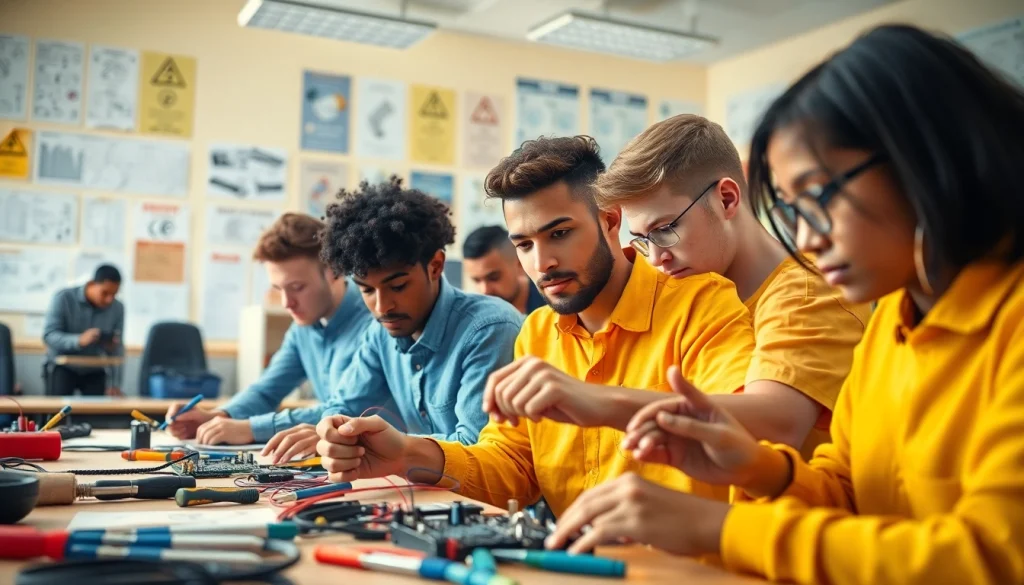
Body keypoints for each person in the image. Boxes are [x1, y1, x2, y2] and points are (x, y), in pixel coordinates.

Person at [547, 25, 1024, 585]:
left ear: (925, 159)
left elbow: (990, 559)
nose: (808, 237)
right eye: (792, 208)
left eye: (819, 196)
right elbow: (846, 488)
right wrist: (762, 469)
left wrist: (719, 527)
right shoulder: (894, 324)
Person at [315, 137, 757, 516]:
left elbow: (744, 435)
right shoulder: (538, 333)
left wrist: (598, 401)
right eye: (524, 244)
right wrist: (406, 454)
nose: (542, 264)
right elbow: (511, 468)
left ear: (610, 219)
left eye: (560, 234)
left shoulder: (702, 303)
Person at [594, 113, 870, 456]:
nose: (655, 258)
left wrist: (602, 402)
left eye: (665, 230)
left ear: (726, 199)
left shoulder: (809, 293)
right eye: (642, 240)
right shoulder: (688, 298)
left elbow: (778, 425)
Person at [299, 178, 522, 463]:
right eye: (367, 290)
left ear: (435, 266)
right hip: (425, 496)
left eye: (398, 286)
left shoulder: (490, 329)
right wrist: (327, 430)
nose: (382, 307)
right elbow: (344, 406)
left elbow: (475, 445)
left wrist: (379, 445)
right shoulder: (380, 334)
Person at [165, 213, 374, 460]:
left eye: (297, 287)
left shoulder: (376, 322)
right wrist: (220, 416)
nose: (287, 303)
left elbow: (348, 412)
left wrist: (250, 429)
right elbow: (266, 392)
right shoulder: (303, 328)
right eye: (278, 289)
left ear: (334, 271)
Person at [43, 264, 124, 397]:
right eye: (105, 293)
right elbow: (49, 335)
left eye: (114, 295)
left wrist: (115, 384)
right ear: (91, 283)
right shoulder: (63, 298)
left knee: (95, 415)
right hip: (61, 368)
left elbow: (118, 347)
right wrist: (79, 340)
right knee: (57, 414)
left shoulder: (118, 308)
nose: (109, 299)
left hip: (95, 369)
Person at [462, 225, 546, 314]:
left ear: (519, 263)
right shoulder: (478, 315)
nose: (485, 290)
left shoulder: (552, 306)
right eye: (477, 280)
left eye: (494, 277)